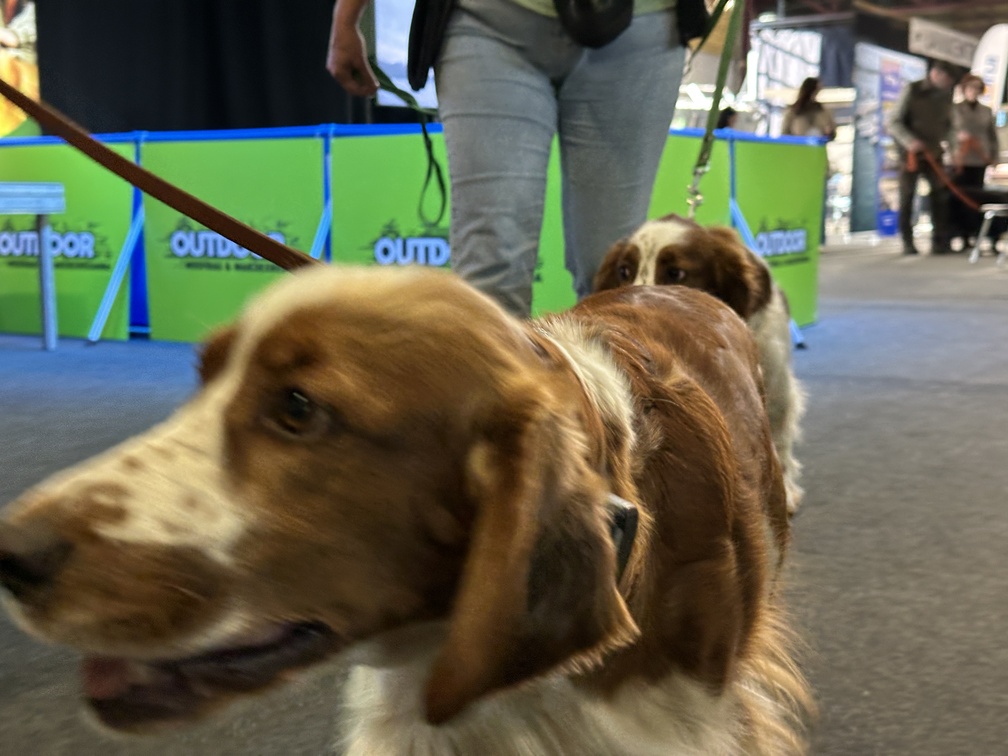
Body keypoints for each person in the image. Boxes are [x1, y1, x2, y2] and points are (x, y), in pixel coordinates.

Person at [327, 0, 691, 317]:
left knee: (616, 273)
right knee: (490, 275)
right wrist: (347, 17)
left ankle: (608, 379)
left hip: (641, 29)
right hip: (488, 23)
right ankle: (494, 377)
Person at [886, 60, 957, 256]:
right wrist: (909, 141)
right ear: (936, 74)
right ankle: (907, 242)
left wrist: (954, 149)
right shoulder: (913, 90)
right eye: (947, 79)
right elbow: (893, 122)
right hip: (910, 155)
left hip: (935, 154)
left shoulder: (946, 95)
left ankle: (940, 242)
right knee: (908, 197)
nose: (948, 84)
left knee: (940, 197)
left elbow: (949, 126)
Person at [951, 73, 999, 188]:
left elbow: (992, 135)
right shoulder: (954, 108)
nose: (974, 90)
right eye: (971, 87)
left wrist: (995, 157)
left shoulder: (986, 110)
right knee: (957, 190)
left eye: (977, 87)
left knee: (977, 190)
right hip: (960, 157)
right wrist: (957, 135)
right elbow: (947, 130)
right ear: (964, 88)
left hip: (980, 157)